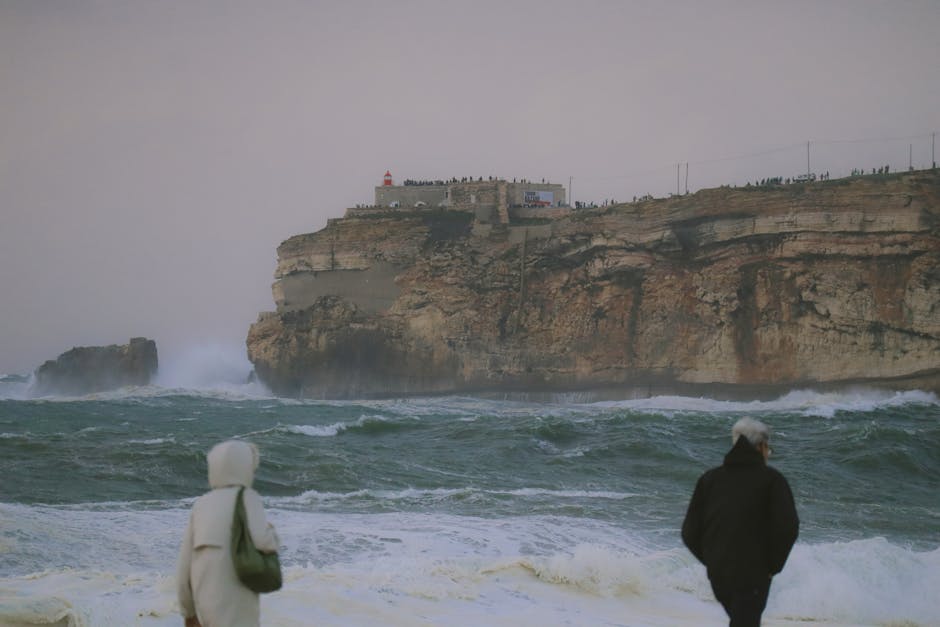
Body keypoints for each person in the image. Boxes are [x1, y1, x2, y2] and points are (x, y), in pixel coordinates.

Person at [682, 417, 799, 627]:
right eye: (768, 448)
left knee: (740, 621)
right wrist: (772, 566)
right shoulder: (772, 480)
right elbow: (788, 528)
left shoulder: (709, 479)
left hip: (719, 575)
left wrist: (713, 560)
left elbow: (689, 532)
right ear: (762, 447)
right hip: (754, 574)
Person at [177, 440, 280, 627]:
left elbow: (184, 565)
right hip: (237, 600)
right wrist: (272, 531)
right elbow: (264, 542)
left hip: (205, 599)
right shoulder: (248, 498)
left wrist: (188, 612)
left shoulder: (201, 504)